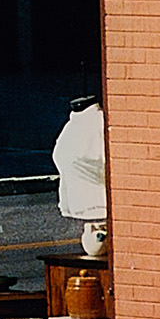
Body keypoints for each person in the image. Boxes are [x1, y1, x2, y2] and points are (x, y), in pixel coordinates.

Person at [52, 96, 108, 245]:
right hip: (80, 205)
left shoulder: (98, 123)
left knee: (97, 245)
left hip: (99, 204)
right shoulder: (73, 124)